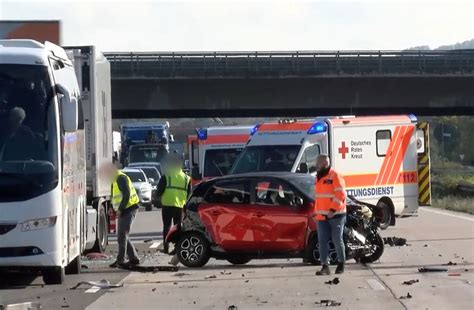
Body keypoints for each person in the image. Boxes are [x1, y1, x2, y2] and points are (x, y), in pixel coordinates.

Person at [313, 154, 347, 275]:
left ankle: (341, 263)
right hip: (322, 216)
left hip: (336, 215)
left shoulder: (335, 175)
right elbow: (319, 197)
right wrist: (315, 212)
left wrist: (332, 210)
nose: (316, 166)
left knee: (337, 239)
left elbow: (341, 195)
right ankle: (325, 266)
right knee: (322, 241)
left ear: (325, 164)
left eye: (319, 163)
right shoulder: (318, 177)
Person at [103, 163, 141, 268]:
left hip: (129, 209)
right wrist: (111, 207)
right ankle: (134, 259)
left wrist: (120, 209)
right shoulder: (114, 180)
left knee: (122, 236)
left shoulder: (121, 178)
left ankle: (121, 260)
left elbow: (127, 194)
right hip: (124, 209)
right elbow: (113, 195)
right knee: (123, 236)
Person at [156, 153, 191, 254]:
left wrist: (157, 197)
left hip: (167, 204)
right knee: (178, 227)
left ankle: (166, 248)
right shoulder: (186, 178)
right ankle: (177, 249)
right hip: (180, 206)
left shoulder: (166, 175)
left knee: (166, 226)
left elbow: (160, 189)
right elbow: (189, 194)